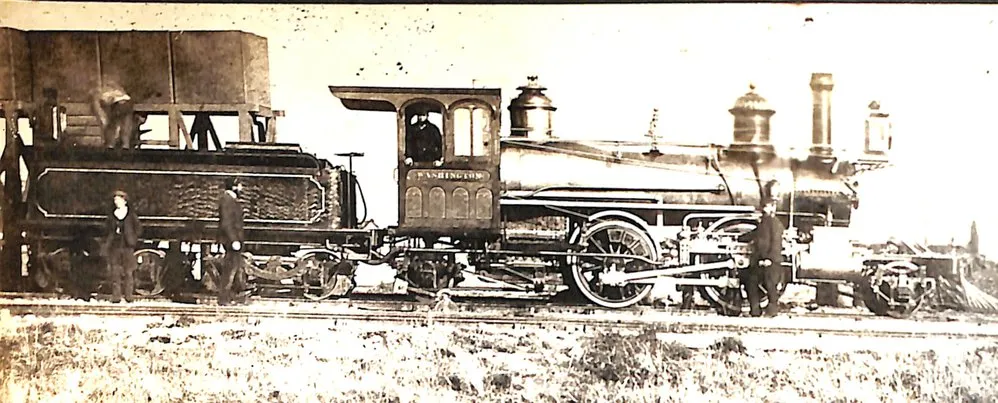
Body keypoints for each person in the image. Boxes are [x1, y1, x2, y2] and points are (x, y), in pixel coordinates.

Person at [741, 198, 786, 317]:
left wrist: (769, 259)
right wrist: (740, 238)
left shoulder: (775, 223)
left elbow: (776, 243)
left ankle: (772, 310)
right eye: (764, 207)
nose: (764, 209)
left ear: (773, 208)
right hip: (761, 260)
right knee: (751, 282)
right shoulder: (763, 222)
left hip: (770, 261)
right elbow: (755, 234)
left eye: (767, 207)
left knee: (770, 286)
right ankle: (755, 310)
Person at [102, 190, 142, 303]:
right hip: (115, 245)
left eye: (118, 200)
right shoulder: (112, 215)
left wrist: (132, 238)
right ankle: (116, 297)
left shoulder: (131, 215)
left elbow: (139, 228)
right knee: (115, 272)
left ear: (124, 201)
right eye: (115, 200)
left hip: (127, 245)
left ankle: (129, 296)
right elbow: (107, 228)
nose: (116, 202)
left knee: (128, 272)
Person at [217, 177, 245, 306]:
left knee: (233, 268)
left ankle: (231, 296)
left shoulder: (231, 199)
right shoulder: (228, 200)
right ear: (233, 186)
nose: (241, 188)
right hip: (231, 241)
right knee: (229, 270)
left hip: (234, 240)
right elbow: (227, 223)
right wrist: (234, 240)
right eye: (239, 185)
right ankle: (224, 299)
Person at [90, 82, 137, 149]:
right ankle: (125, 145)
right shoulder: (114, 91)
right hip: (126, 103)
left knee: (112, 125)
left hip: (117, 104)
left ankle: (111, 144)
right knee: (125, 125)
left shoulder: (100, 96)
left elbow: (102, 110)